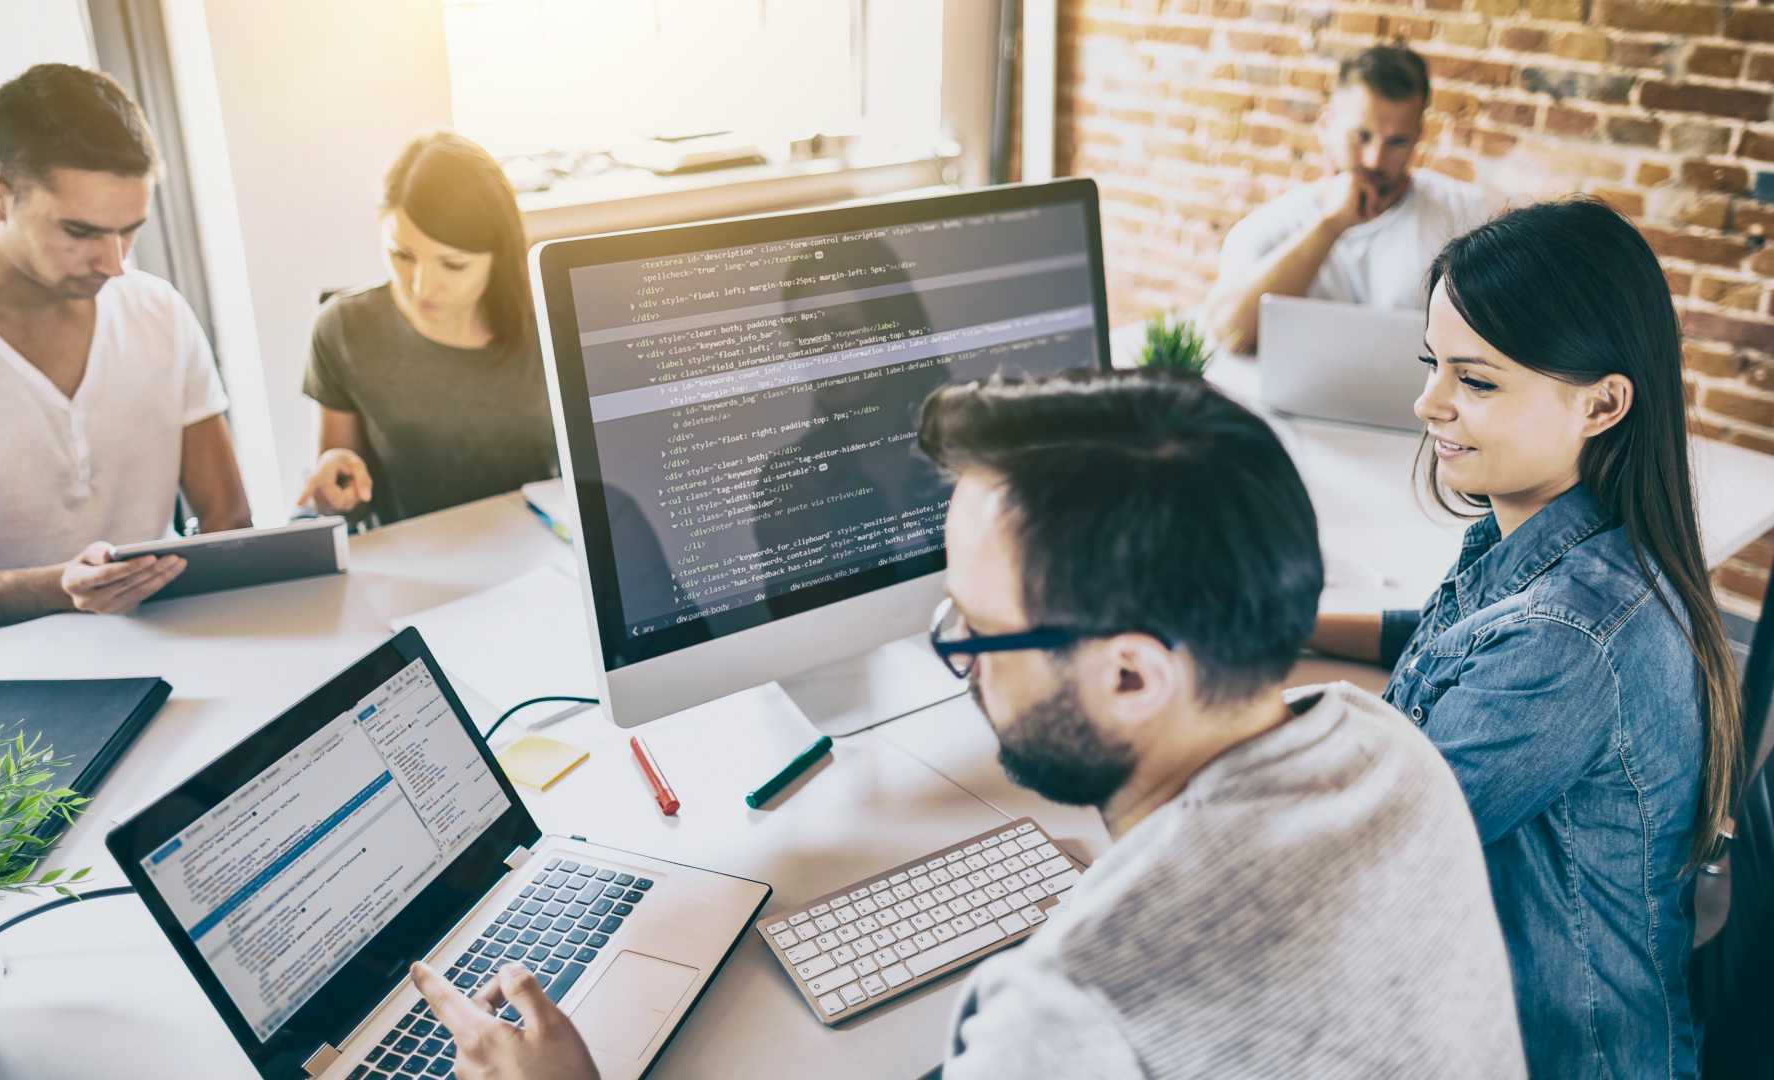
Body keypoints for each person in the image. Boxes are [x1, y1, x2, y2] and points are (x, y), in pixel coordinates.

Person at [404, 370, 1526, 1078]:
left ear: (1133, 677)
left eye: (975, 633)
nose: (954, 659)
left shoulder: (1071, 1010)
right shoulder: (1389, 752)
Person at [1309, 198, 1742, 1078]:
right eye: (1433, 363)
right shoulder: (1568, 546)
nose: (1427, 402)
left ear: (1601, 404)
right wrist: (1285, 623)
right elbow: (1454, 642)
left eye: (1476, 380)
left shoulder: (1570, 639)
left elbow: (1359, 857)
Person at [0, 63, 249, 650]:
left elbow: (228, 523)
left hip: (168, 649)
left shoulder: (158, 309)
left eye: (129, 230)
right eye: (81, 231)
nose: (114, 263)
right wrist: (58, 589)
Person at [296, 132, 557, 525]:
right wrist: (333, 486)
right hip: (415, 562)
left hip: (544, 548)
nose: (421, 286)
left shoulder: (551, 321)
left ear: (498, 257)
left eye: (452, 265)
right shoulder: (343, 330)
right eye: (401, 255)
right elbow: (343, 505)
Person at [1203, 44, 1492, 353]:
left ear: (1418, 135)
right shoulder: (1268, 226)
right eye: (1361, 136)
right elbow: (1229, 334)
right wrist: (1330, 225)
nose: (1375, 160)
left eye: (1397, 142)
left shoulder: (1466, 213)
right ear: (1326, 125)